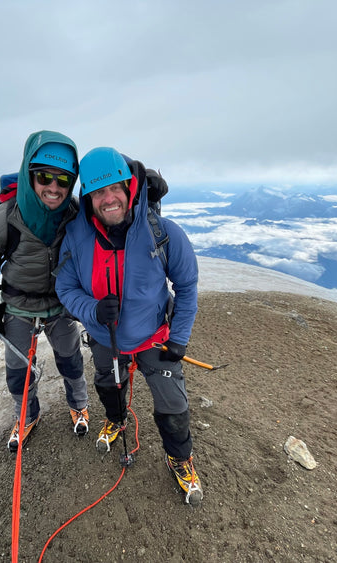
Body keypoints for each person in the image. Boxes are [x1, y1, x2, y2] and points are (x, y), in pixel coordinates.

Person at [55, 147, 202, 505]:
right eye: (98, 192)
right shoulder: (76, 236)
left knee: (172, 402)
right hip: (106, 336)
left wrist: (179, 337)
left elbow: (187, 285)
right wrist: (91, 309)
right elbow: (65, 286)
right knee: (107, 383)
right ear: (88, 198)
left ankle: (180, 458)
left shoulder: (161, 232)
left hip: (154, 337)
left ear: (129, 187)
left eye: (115, 189)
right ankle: (117, 419)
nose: (109, 199)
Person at [0, 130, 89, 452]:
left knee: (72, 362)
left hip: (60, 307)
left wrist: (149, 200)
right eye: (44, 176)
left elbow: (111, 226)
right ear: (29, 175)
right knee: (17, 374)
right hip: (18, 308)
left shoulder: (76, 216)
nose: (53, 187)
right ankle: (27, 415)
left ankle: (79, 404)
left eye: (63, 180)